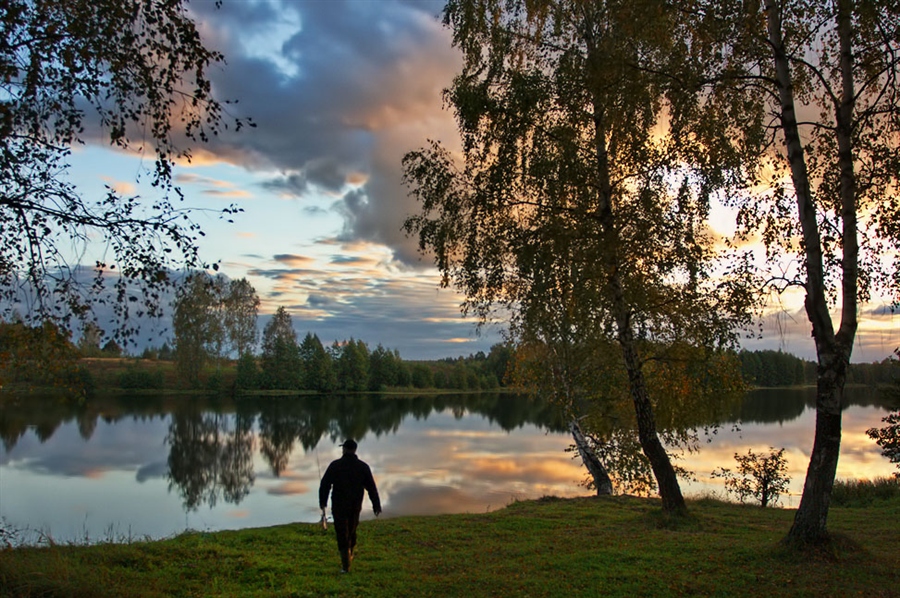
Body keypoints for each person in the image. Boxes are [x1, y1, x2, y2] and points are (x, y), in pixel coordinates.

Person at [318, 439, 382, 573]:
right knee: (352, 529)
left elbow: (325, 485)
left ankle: (345, 565)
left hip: (339, 504)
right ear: (355, 450)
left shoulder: (335, 465)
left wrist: (323, 502)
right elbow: (371, 487)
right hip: (355, 504)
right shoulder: (363, 467)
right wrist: (376, 505)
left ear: (345, 449)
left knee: (342, 531)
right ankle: (349, 554)